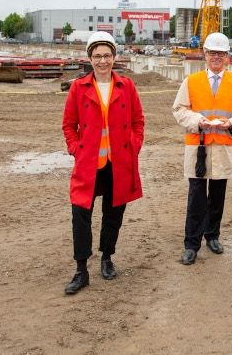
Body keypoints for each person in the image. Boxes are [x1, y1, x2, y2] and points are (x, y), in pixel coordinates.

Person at [61, 31, 144, 295]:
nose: (102, 61)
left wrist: (134, 146)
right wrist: (76, 149)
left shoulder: (126, 86)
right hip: (88, 163)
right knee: (80, 214)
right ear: (90, 58)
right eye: (97, 56)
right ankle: (81, 269)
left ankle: (107, 257)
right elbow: (68, 125)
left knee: (113, 212)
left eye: (107, 55)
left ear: (114, 56)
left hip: (118, 161)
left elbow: (138, 121)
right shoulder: (79, 87)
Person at [172, 32, 232, 265]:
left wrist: (231, 124)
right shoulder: (191, 82)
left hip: (225, 147)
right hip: (198, 148)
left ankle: (213, 235)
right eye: (212, 53)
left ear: (228, 57)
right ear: (205, 55)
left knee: (217, 196)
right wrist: (197, 121)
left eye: (221, 53)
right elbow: (179, 110)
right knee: (196, 197)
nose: (216, 57)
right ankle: (191, 244)